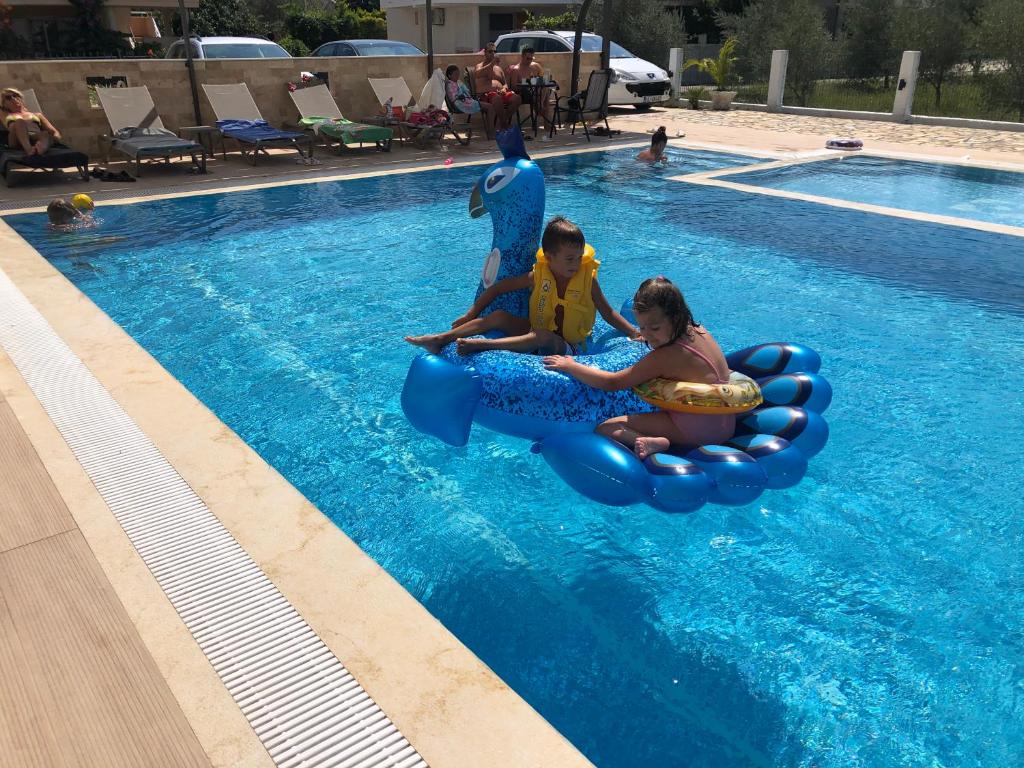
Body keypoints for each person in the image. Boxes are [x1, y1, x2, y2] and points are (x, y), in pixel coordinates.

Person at [543, 276, 735, 459]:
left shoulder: (666, 356)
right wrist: (653, 333)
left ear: (675, 317)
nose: (648, 335)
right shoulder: (699, 330)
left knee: (606, 428)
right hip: (726, 422)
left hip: (700, 432)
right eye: (642, 328)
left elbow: (613, 382)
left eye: (655, 328)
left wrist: (571, 365)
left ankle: (654, 442)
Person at [405, 216, 638, 356]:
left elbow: (608, 313)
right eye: (569, 259)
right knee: (498, 316)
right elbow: (496, 289)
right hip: (534, 331)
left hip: (568, 348)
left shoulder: (588, 281)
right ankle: (440, 338)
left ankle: (484, 347)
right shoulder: (538, 275)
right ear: (548, 257)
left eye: (579, 257)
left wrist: (635, 333)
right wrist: (470, 313)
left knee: (540, 335)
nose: (576, 264)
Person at [473, 42, 522, 131]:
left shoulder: (498, 68)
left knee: (517, 98)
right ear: (485, 53)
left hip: (500, 93)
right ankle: (504, 124)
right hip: (485, 95)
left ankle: (501, 122)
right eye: (490, 51)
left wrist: (504, 88)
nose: (493, 53)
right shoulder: (479, 66)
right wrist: (492, 63)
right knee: (496, 98)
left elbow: (505, 83)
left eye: (494, 51)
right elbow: (477, 74)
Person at [1, 87, 63, 156]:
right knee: (19, 122)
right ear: (4, 104)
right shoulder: (5, 115)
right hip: (16, 140)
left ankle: (39, 149)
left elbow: (54, 132)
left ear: (21, 98)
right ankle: (29, 149)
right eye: (8, 98)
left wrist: (54, 138)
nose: (13, 98)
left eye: (15, 95)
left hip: (34, 137)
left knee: (45, 134)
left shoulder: (37, 115)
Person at [508, 47, 555, 131]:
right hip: (525, 94)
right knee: (545, 96)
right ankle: (546, 122)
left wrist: (536, 81)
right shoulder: (516, 70)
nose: (530, 60)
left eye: (531, 58)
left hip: (538, 93)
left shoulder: (536, 66)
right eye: (527, 58)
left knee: (545, 89)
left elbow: (543, 79)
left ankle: (539, 104)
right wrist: (525, 83)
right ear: (522, 56)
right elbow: (513, 87)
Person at [445, 64, 495, 139]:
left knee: (489, 107)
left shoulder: (458, 83)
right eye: (455, 75)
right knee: (490, 107)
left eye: (458, 74)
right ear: (449, 75)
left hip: (466, 101)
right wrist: (461, 96)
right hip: (461, 104)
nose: (457, 76)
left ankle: (491, 130)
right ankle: (491, 132)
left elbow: (467, 92)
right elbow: (453, 98)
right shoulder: (449, 85)